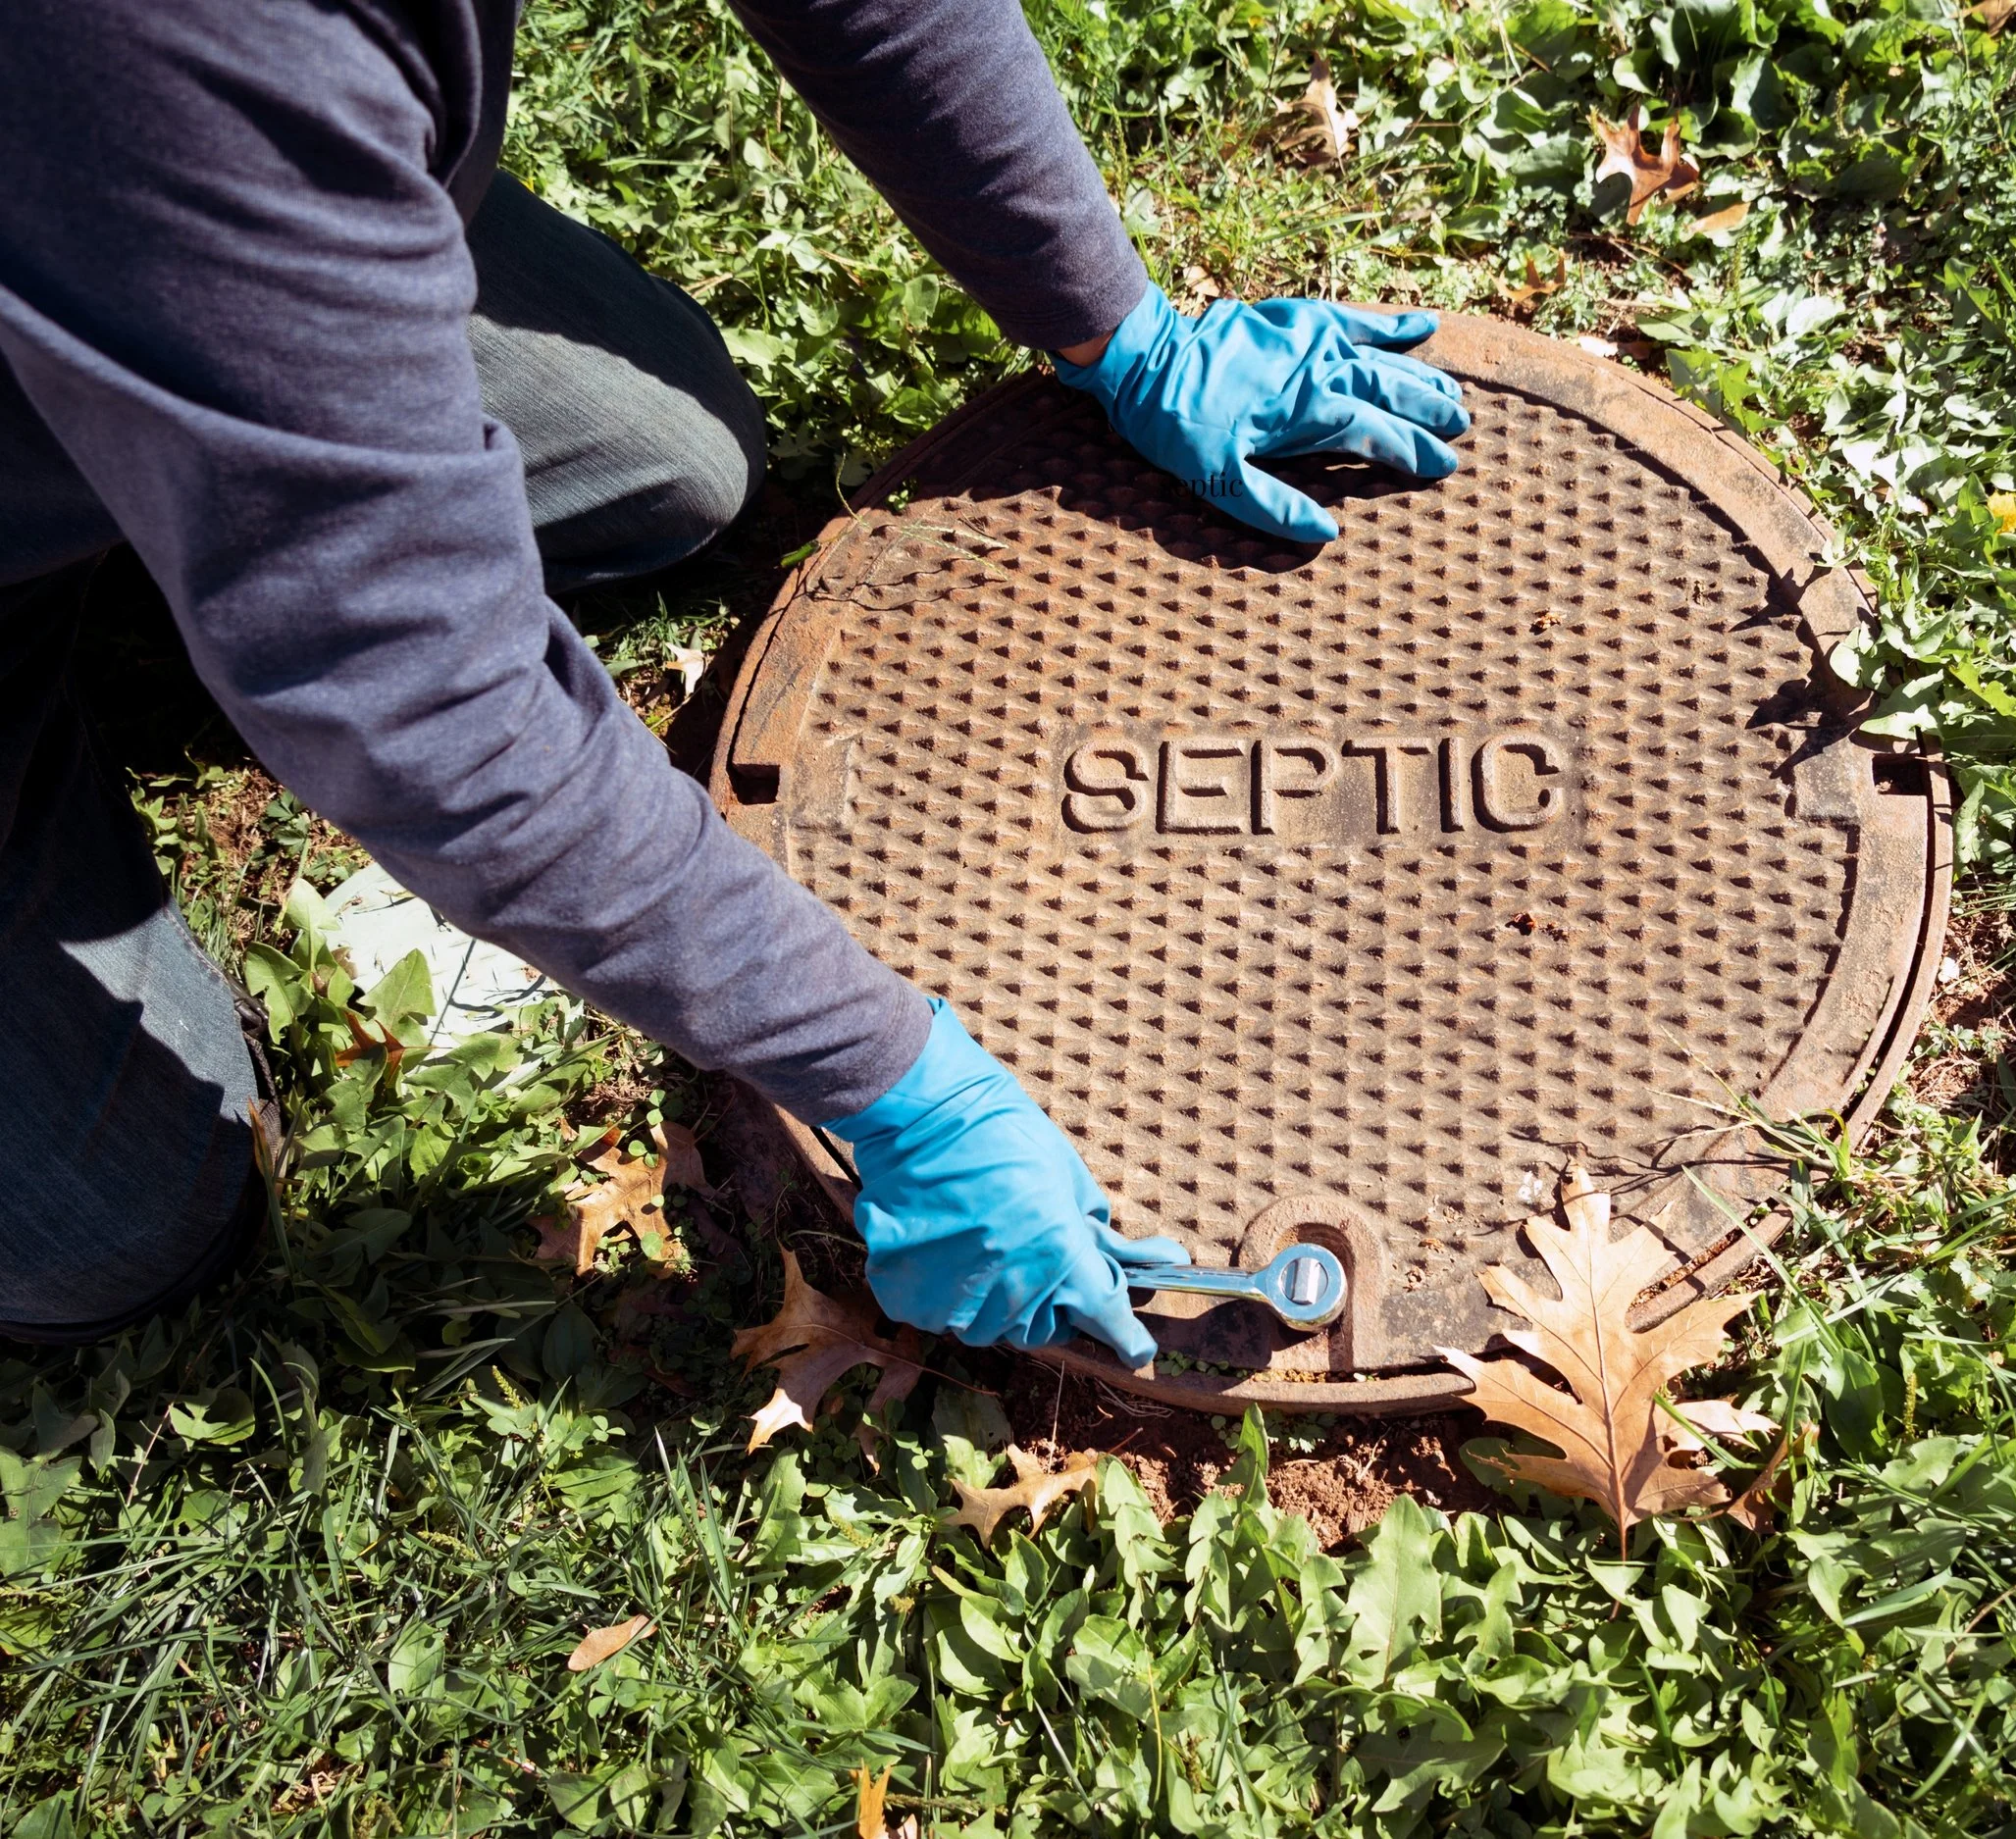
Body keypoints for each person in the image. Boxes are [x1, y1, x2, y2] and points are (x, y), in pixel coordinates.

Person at [0, 0, 1470, 1357]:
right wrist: (887, 1079)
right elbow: (428, 703)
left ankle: (229, 366)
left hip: (178, 180)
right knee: (120, 1220)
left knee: (672, 465)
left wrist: (1113, 321)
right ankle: (211, 398)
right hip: (144, 141)